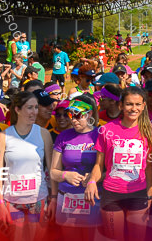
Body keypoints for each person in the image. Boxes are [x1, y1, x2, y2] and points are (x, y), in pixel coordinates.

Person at [89, 87, 152, 241]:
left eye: (138, 104)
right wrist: (92, 181)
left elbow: (148, 168)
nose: (134, 108)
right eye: (129, 104)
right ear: (121, 106)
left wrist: (149, 195)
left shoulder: (150, 131)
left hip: (138, 194)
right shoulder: (106, 130)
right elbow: (99, 165)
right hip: (111, 194)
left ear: (144, 106)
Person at [0, 91, 55, 227]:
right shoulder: (3, 136)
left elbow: (51, 169)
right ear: (17, 110)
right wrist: (0, 204)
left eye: (36, 107)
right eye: (29, 107)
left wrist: (54, 198)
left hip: (38, 198)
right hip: (12, 200)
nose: (34, 112)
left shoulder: (44, 134)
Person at [49, 95, 101, 234]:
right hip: (67, 197)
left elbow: (109, 170)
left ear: (89, 113)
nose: (73, 119)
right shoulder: (63, 136)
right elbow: (53, 171)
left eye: (77, 115)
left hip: (92, 199)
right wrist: (66, 175)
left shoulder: (100, 134)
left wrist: (94, 178)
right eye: (70, 114)